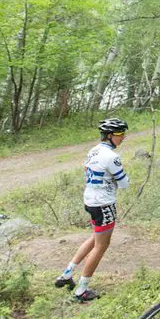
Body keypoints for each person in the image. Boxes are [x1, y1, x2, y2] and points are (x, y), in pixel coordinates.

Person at [53, 117, 130, 302]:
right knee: (101, 245)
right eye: (120, 134)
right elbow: (125, 183)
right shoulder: (112, 157)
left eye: (124, 134)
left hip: (90, 200)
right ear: (110, 135)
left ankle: (67, 274)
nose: (123, 138)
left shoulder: (93, 151)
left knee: (95, 238)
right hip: (104, 204)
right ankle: (81, 290)